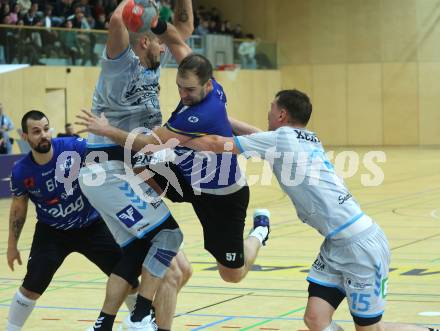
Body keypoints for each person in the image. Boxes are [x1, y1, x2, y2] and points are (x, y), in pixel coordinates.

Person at [182, 89, 440, 331]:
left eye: (271, 109)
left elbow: (216, 143)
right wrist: (218, 115)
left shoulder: (282, 139)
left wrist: (175, 134)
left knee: (372, 330)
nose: (268, 113)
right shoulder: (298, 138)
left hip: (360, 247)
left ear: (282, 115)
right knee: (315, 319)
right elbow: (254, 134)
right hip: (336, 244)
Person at [76, 53, 271, 286]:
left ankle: (260, 232)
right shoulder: (210, 90)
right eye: (179, 87)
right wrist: (161, 27)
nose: (183, 95)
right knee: (138, 164)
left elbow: (147, 143)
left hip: (223, 199)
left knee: (231, 275)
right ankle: (155, 228)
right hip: (188, 180)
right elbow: (180, 44)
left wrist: (107, 130)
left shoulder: (197, 115)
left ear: (207, 85)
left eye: (189, 89)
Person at [78, 1, 194, 330]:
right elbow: (117, 19)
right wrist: (139, 6)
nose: (164, 45)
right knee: (169, 237)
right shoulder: (121, 63)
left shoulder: (153, 61)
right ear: (144, 41)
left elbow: (181, 33)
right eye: (157, 39)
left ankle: (104, 324)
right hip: (107, 172)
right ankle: (141, 317)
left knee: (158, 262)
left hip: (126, 172)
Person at [6, 110, 138, 331]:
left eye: (46, 129)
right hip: (52, 232)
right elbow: (19, 208)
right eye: (36, 132)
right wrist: (12, 246)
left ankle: (141, 321)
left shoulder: (72, 147)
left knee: (127, 277)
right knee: (31, 287)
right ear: (26, 137)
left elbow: (104, 153)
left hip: (92, 225)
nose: (43, 135)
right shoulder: (21, 171)